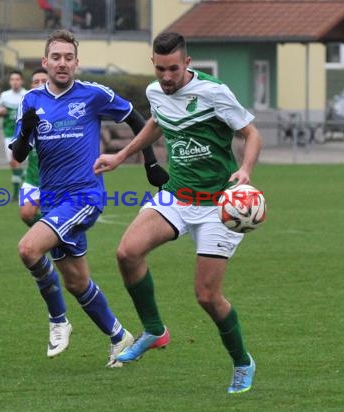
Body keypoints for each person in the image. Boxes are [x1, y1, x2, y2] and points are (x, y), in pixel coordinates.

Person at [93, 31, 263, 393]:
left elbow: (252, 133)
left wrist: (245, 171)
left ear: (187, 63)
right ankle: (155, 330)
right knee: (127, 252)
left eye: (172, 69)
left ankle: (242, 361)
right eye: (159, 69)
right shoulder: (157, 92)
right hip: (177, 197)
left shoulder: (214, 92)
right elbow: (156, 122)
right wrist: (123, 155)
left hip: (219, 204)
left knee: (207, 297)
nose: (166, 77)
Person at [9, 29, 169, 366]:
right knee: (77, 280)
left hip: (84, 196)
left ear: (77, 63)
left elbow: (135, 118)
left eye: (68, 58)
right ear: (45, 62)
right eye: (56, 57)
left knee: (28, 248)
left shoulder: (93, 95)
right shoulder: (31, 100)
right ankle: (118, 337)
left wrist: (150, 162)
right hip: (52, 199)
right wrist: (25, 128)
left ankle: (58, 321)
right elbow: (20, 155)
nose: (62, 63)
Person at [19, 67, 47, 226]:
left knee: (52, 217)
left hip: (54, 177)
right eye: (36, 82)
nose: (40, 84)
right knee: (26, 214)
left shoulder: (59, 108)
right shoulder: (26, 108)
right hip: (32, 176)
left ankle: (47, 245)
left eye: (44, 81)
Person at [0, 70, 27, 201]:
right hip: (8, 132)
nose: (15, 82)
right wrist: (0, 111)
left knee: (16, 161)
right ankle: (25, 184)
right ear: (10, 82)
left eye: (17, 79)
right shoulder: (4, 95)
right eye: (12, 79)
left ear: (22, 81)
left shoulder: (27, 95)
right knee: (13, 163)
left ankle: (17, 193)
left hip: (23, 134)